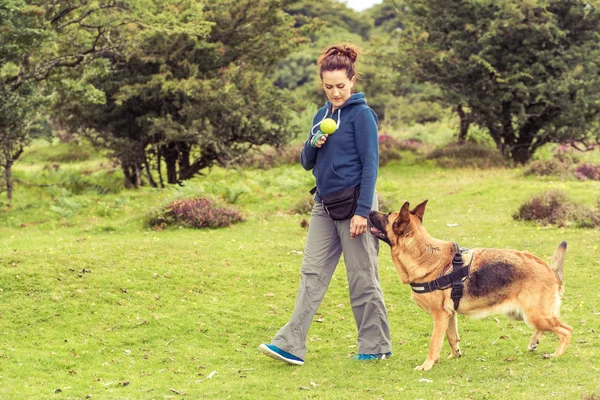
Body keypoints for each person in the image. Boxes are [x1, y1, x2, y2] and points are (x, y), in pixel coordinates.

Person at [258, 43, 392, 365]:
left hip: (356, 204)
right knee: (311, 272)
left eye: (341, 86)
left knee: (361, 275)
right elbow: (306, 161)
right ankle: (291, 344)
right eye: (328, 87)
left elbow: (371, 165)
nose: (335, 93)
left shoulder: (362, 115)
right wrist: (313, 141)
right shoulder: (321, 115)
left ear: (352, 80)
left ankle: (376, 346)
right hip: (324, 204)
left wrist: (363, 211)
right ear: (322, 83)